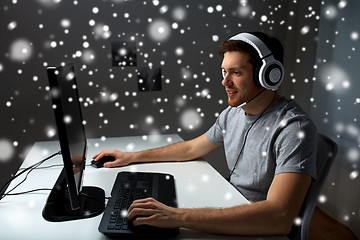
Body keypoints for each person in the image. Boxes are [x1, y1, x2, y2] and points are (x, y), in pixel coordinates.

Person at [93, 32, 318, 236]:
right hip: (231, 208)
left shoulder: (293, 129)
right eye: (224, 71)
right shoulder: (233, 113)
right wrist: (131, 157)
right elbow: (192, 148)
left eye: (236, 73)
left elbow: (278, 217)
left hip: (257, 229)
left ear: (268, 75)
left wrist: (177, 217)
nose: (224, 81)